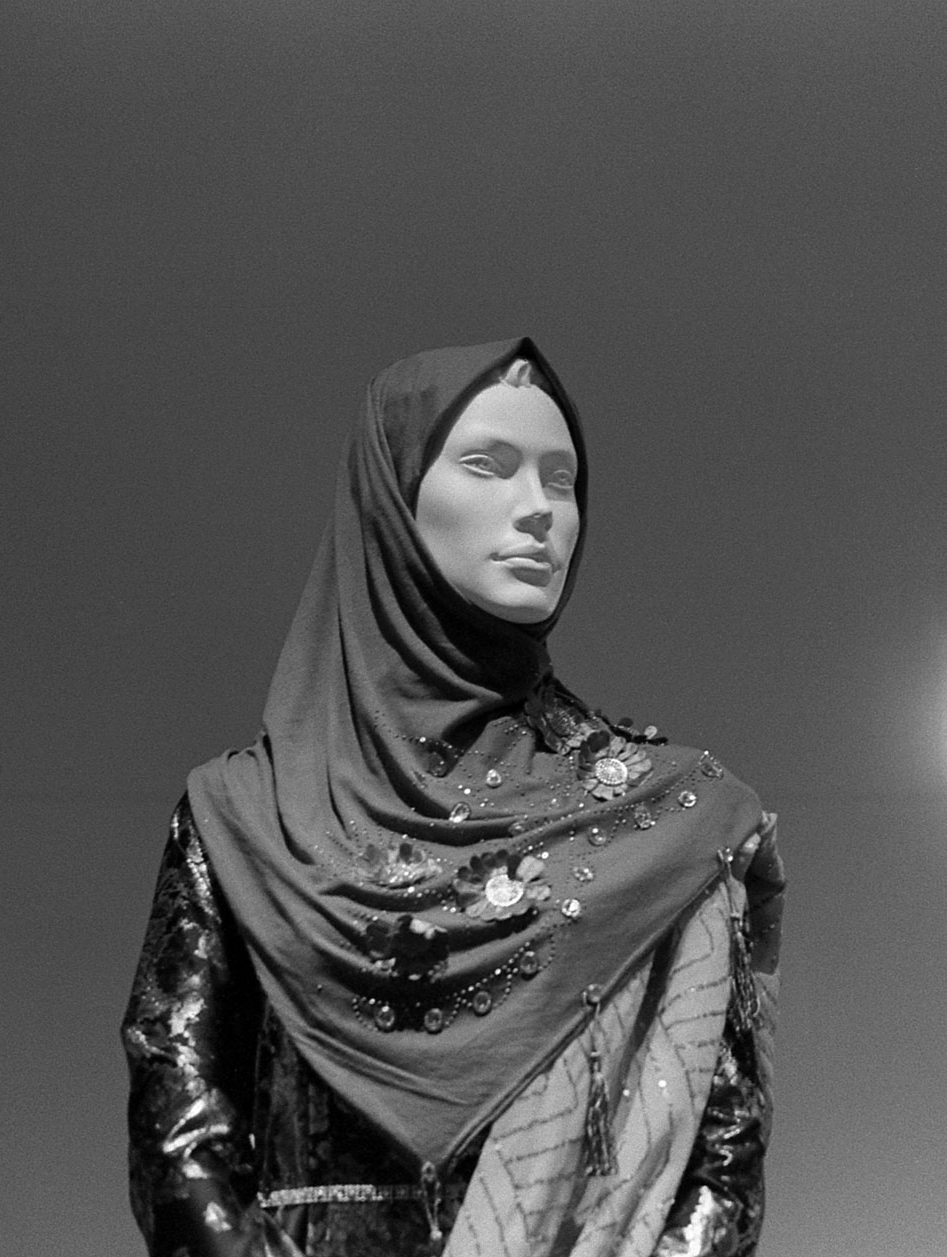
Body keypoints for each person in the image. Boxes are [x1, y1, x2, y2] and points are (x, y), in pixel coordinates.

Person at [122, 338, 783, 1257]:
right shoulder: (246, 813)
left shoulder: (672, 820)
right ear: (391, 498)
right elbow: (178, 1122)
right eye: (488, 465)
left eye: (563, 479)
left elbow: (720, 1161)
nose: (539, 510)